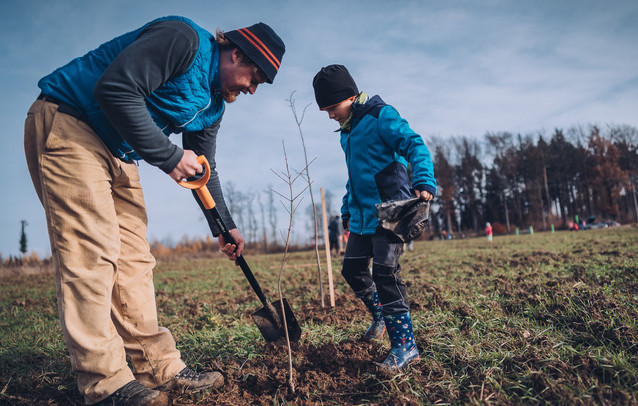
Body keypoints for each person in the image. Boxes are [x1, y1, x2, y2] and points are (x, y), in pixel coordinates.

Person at [24, 16, 285, 405]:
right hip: (71, 123)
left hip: (120, 150)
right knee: (92, 255)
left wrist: (224, 225)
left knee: (135, 261)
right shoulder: (182, 40)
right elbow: (114, 88)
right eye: (255, 78)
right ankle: (105, 383)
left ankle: (160, 367)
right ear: (236, 53)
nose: (252, 89)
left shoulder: (214, 105)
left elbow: (202, 168)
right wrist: (168, 156)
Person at [312, 64, 436, 371]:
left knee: (385, 274)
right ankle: (381, 315)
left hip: (390, 212)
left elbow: (414, 143)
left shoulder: (381, 115)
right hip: (362, 216)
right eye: (324, 110)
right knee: (352, 269)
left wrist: (423, 180)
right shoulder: (348, 132)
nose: (330, 115)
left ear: (350, 97)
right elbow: (355, 176)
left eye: (332, 107)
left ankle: (405, 346)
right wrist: (345, 208)